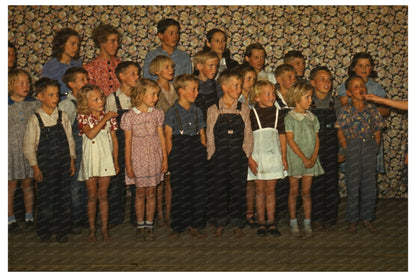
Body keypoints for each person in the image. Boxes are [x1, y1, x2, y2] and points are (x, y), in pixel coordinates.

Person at [23, 77, 76, 242]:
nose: (55, 98)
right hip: (46, 165)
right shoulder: (36, 120)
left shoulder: (63, 116)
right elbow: (28, 146)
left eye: (57, 95)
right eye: (51, 95)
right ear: (40, 96)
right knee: (46, 199)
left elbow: (69, 140)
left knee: (63, 197)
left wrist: (72, 160)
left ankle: (62, 231)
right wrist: (35, 167)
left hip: (63, 163)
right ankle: (45, 231)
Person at [206, 69, 253, 239]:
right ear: (224, 87)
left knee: (238, 190)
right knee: (219, 189)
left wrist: (246, 153)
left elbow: (248, 133)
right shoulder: (213, 109)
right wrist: (211, 155)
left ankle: (237, 222)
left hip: (237, 156)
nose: (239, 89)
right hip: (219, 156)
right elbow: (210, 134)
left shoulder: (244, 109)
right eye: (235, 85)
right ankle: (219, 223)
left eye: (240, 85)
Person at [335, 75, 385, 235]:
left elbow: (377, 129)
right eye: (355, 87)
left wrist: (375, 146)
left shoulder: (372, 109)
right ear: (349, 93)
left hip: (369, 147)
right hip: (353, 148)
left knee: (369, 185)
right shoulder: (346, 110)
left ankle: (367, 218)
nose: (360, 89)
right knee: (353, 184)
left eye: (361, 86)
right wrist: (346, 147)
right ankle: (352, 220)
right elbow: (340, 130)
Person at [121, 79, 168, 241]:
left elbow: (161, 138)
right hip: (138, 159)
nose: (156, 97)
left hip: (154, 158)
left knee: (152, 192)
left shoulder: (157, 114)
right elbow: (127, 143)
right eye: (153, 94)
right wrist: (128, 164)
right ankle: (140, 225)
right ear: (141, 95)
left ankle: (150, 224)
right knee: (140, 192)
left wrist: (164, 159)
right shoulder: (130, 116)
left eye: (157, 94)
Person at [164, 74, 207, 239]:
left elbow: (202, 134)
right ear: (181, 91)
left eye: (197, 89)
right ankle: (179, 225)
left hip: (196, 148)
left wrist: (202, 150)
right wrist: (170, 159)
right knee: (180, 189)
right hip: (179, 149)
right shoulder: (172, 112)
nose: (197, 92)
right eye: (193, 89)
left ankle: (195, 225)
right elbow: (168, 137)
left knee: (198, 189)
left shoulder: (198, 111)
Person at [76, 84, 119, 242]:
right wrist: (105, 118)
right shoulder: (83, 116)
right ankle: (92, 229)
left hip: (105, 159)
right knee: (92, 196)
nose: (100, 101)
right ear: (86, 103)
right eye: (95, 99)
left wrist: (115, 160)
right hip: (91, 159)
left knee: (103, 196)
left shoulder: (110, 117)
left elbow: (114, 140)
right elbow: (91, 134)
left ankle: (104, 228)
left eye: (101, 97)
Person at [247, 81, 287, 237]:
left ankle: (271, 222)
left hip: (273, 156)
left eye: (273, 93)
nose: (272, 97)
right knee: (260, 190)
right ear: (257, 97)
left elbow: (282, 136)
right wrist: (249, 158)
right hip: (258, 157)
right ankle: (261, 221)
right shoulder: (251, 114)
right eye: (268, 94)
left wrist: (283, 156)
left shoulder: (279, 113)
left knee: (271, 190)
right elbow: (247, 139)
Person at [337, 52, 389, 173]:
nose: (364, 69)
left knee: (369, 174)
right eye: (360, 65)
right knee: (353, 173)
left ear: (371, 68)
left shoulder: (376, 87)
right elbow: (345, 105)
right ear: (353, 68)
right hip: (352, 134)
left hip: (371, 134)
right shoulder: (346, 85)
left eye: (367, 65)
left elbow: (386, 111)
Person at [285, 82, 324, 238]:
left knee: (306, 192)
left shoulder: (312, 117)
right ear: (296, 98)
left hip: (310, 161)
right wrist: (303, 158)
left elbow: (316, 139)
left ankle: (307, 222)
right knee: (294, 192)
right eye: (306, 97)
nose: (310, 100)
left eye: (311, 97)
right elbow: (290, 141)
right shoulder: (290, 117)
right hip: (296, 159)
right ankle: (293, 222)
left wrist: (313, 157)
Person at [105, 61, 141, 228]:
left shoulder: (140, 96)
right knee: (117, 181)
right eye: (133, 73)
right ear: (122, 76)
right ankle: (115, 217)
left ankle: (137, 217)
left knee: (137, 180)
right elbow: (111, 128)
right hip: (119, 143)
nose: (137, 76)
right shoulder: (113, 98)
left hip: (138, 142)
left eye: (137, 73)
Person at [309, 66, 342, 232]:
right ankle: (316, 218)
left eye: (329, 79)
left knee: (331, 184)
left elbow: (342, 129)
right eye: (322, 79)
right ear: (312, 82)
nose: (326, 82)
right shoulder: (308, 101)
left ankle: (330, 218)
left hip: (331, 149)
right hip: (312, 150)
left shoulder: (335, 103)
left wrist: (342, 151)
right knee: (315, 184)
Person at [8, 69, 40, 233]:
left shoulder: (34, 103)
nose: (25, 86)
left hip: (28, 150)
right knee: (11, 184)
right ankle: (9, 218)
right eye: (21, 83)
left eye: (27, 82)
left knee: (28, 182)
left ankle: (29, 216)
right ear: (11, 85)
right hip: (10, 151)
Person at [59, 67, 89, 234]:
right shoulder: (67, 105)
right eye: (82, 80)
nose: (86, 82)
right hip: (74, 150)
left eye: (86, 79)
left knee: (86, 184)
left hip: (88, 149)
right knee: (75, 186)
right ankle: (75, 218)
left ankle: (85, 216)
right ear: (71, 84)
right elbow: (65, 131)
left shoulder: (88, 101)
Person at [150, 55, 177, 227]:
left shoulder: (175, 89)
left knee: (170, 178)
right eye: (167, 67)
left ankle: (169, 213)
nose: (171, 70)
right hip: (157, 137)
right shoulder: (153, 89)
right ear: (157, 71)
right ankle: (159, 214)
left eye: (172, 67)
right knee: (159, 178)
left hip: (174, 137)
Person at [273, 64, 297, 223]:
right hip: (277, 142)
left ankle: (292, 211)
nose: (294, 80)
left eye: (294, 76)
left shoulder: (298, 97)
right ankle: (277, 210)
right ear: (279, 80)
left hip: (294, 142)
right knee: (279, 178)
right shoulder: (273, 98)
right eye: (289, 77)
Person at [235, 65, 257, 227]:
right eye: (248, 79)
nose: (251, 82)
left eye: (254, 79)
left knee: (252, 180)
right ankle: (238, 212)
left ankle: (251, 212)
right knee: (240, 179)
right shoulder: (237, 101)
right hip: (240, 142)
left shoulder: (255, 100)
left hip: (255, 141)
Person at [42, 28, 82, 100]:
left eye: (78, 45)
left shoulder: (78, 63)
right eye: (73, 44)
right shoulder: (50, 66)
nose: (76, 47)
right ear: (62, 44)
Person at [84, 24, 121, 96]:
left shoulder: (121, 65)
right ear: (102, 42)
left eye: (117, 41)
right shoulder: (89, 68)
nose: (116, 45)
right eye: (113, 41)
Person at [193, 50, 222, 121]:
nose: (214, 69)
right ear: (199, 66)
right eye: (211, 65)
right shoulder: (192, 85)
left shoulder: (216, 86)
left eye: (216, 66)